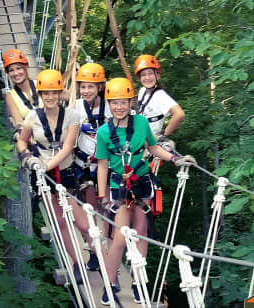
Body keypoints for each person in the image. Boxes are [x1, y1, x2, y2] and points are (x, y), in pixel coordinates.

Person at [95, 78, 196, 305]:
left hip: (141, 182)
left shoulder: (141, 123)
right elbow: (102, 164)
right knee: (119, 237)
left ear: (131, 102)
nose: (118, 107)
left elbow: (153, 148)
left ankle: (139, 283)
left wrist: (174, 159)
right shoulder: (103, 132)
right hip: (118, 187)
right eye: (114, 103)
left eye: (122, 102)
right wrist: (102, 196)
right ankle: (110, 283)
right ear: (108, 104)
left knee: (141, 234)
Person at [17, 69, 90, 284]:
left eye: (54, 93)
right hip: (42, 175)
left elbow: (67, 148)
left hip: (63, 172)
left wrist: (45, 166)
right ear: (40, 94)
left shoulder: (72, 116)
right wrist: (28, 157)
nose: (49, 97)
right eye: (45, 93)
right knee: (59, 221)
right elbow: (22, 140)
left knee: (82, 223)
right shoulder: (32, 116)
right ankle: (77, 262)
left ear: (60, 94)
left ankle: (97, 254)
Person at [74, 62, 112, 272]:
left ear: (100, 87)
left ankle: (107, 252)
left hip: (106, 165)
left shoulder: (112, 105)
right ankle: (94, 252)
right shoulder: (77, 107)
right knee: (89, 210)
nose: (86, 91)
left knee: (105, 209)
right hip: (85, 166)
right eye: (83, 87)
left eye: (91, 86)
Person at [134, 54, 185, 140]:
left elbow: (179, 114)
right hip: (139, 135)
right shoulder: (142, 91)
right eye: (143, 74)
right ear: (139, 78)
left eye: (150, 73)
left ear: (157, 75)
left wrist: (163, 135)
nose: (147, 78)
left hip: (150, 139)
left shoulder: (160, 96)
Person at [3, 49, 43, 139]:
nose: (15, 73)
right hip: (32, 137)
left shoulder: (41, 84)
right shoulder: (10, 96)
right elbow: (19, 123)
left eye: (19, 68)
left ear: (26, 67)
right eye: (11, 70)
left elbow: (69, 96)